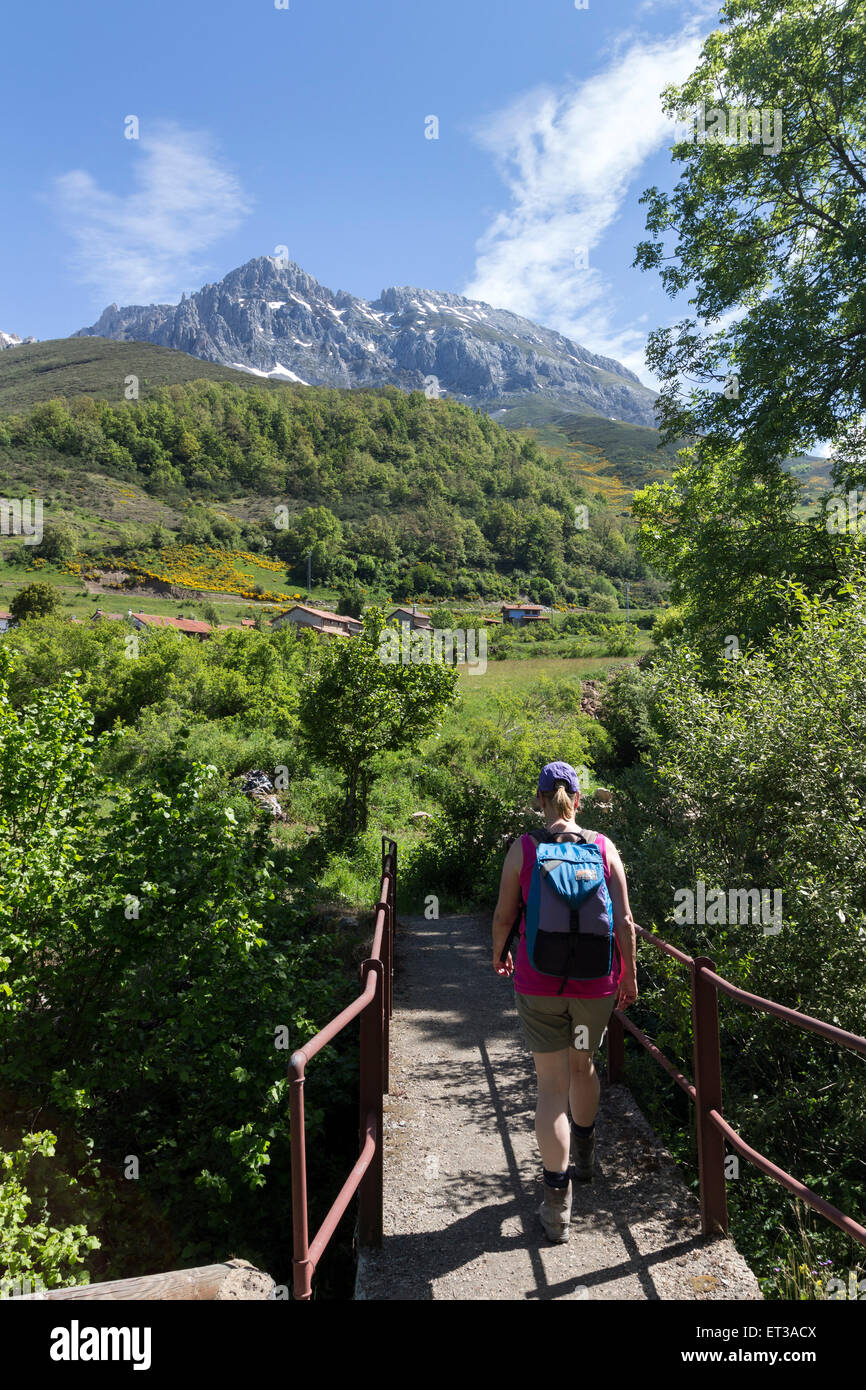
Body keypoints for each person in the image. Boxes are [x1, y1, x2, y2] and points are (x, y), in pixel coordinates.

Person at [491, 761, 638, 1243]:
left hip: (539, 986)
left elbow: (503, 914)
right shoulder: (603, 846)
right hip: (594, 989)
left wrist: (499, 955)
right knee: (582, 1067)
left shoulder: (525, 847)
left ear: (539, 800)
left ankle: (557, 1207)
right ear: (577, 800)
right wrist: (629, 975)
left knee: (550, 1086)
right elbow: (624, 922)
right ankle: (587, 1155)